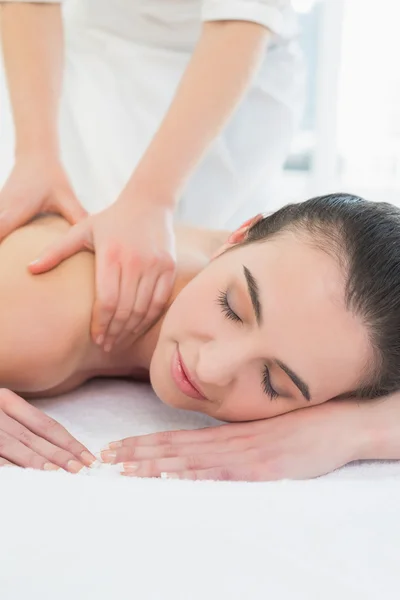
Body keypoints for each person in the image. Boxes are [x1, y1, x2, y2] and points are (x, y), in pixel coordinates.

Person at [1, 193, 400, 481]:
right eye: (232, 308)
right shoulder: (50, 318)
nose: (210, 369)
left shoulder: (283, 266)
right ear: (240, 235)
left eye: (272, 383)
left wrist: (352, 431)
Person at [0, 0, 304, 355]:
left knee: (190, 297)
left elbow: (240, 18)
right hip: (80, 52)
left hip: (223, 77)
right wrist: (36, 154)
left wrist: (151, 199)